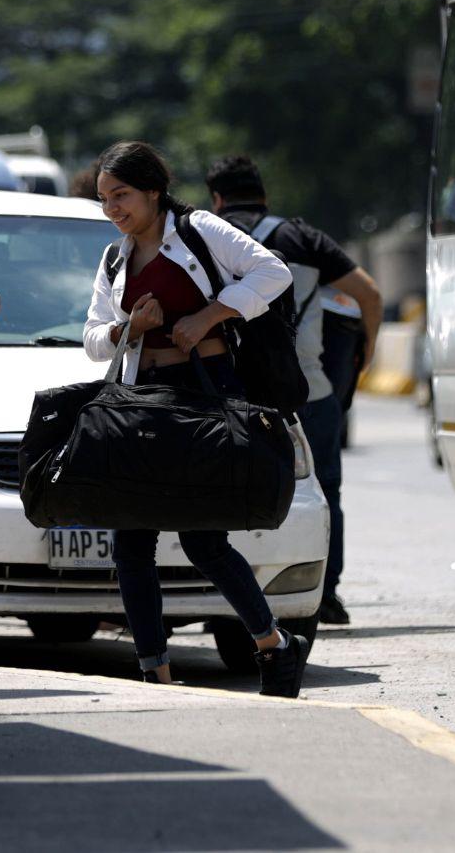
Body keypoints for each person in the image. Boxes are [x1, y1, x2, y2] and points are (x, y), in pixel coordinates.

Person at [84, 141, 308, 697]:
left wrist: (212, 313)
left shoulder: (200, 228)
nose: (113, 208)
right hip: (142, 399)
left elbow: (271, 272)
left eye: (122, 195)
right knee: (130, 543)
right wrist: (126, 329)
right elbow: (91, 338)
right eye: (105, 199)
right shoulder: (114, 257)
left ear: (154, 191)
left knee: (204, 539)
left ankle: (274, 646)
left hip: (206, 394)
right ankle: (155, 672)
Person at [206, 155, 382, 625]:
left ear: (217, 198)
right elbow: (369, 295)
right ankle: (323, 593)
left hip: (231, 395)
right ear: (263, 194)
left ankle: (226, 592)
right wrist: (364, 360)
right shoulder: (302, 237)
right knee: (324, 491)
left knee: (224, 494)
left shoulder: (206, 240)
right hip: (311, 392)